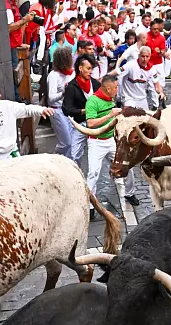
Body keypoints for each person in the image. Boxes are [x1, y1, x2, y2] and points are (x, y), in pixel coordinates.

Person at [84, 74, 124, 220]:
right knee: (93, 173)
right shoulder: (92, 101)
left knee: (123, 167)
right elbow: (90, 123)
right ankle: (89, 207)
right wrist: (110, 115)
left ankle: (127, 197)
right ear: (108, 89)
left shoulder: (111, 99)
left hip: (111, 140)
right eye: (116, 87)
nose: (117, 89)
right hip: (96, 142)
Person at [63, 54, 101, 165]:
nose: (90, 72)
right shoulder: (71, 87)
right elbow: (67, 109)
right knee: (74, 155)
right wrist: (83, 111)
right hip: (80, 124)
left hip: (96, 123)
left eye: (91, 69)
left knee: (101, 154)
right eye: (88, 69)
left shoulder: (96, 84)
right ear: (80, 68)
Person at [48, 47, 77, 159]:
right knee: (66, 142)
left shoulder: (72, 73)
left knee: (72, 143)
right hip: (57, 110)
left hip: (69, 110)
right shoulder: (53, 76)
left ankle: (68, 164)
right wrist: (63, 93)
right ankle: (54, 159)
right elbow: (50, 98)